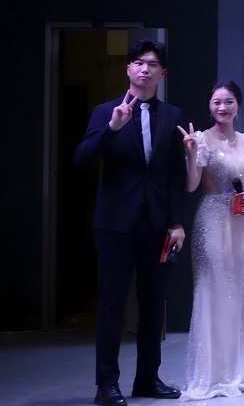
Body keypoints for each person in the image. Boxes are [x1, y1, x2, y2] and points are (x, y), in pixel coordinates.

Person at [76, 40, 189, 406]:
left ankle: (147, 379)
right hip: (115, 224)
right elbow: (82, 159)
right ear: (128, 69)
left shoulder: (171, 115)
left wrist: (176, 222)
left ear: (162, 73)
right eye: (138, 63)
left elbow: (174, 175)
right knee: (112, 304)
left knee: (154, 304)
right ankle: (106, 384)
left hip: (157, 224)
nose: (145, 69)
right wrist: (111, 128)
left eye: (152, 64)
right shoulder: (105, 112)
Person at [178, 81, 244, 400]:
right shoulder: (201, 139)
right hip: (212, 219)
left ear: (238, 105)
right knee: (212, 290)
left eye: (229, 101)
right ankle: (211, 373)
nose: (223, 107)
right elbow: (192, 185)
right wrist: (192, 154)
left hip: (238, 220)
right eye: (217, 102)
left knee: (239, 292)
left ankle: (238, 369)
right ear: (209, 106)